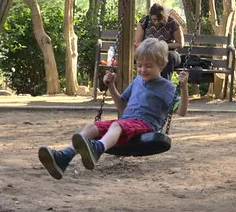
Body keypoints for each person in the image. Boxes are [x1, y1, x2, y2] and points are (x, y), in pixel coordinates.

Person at [37, 37, 176, 179]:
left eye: (148, 66)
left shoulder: (167, 87)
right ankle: (64, 157)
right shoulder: (137, 81)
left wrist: (183, 88)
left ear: (161, 65)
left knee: (116, 125)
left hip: (145, 125)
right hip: (127, 122)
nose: (142, 69)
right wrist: (111, 86)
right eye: (139, 65)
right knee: (91, 127)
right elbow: (122, 106)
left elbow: (181, 111)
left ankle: (97, 148)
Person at [136, 2, 184, 79]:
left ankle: (164, 84)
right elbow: (138, 43)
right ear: (150, 16)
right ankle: (145, 85)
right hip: (149, 52)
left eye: (159, 19)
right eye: (154, 19)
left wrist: (162, 45)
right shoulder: (144, 22)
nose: (156, 22)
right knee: (144, 58)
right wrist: (152, 46)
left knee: (168, 57)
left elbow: (180, 44)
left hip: (168, 52)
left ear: (164, 16)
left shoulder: (173, 23)